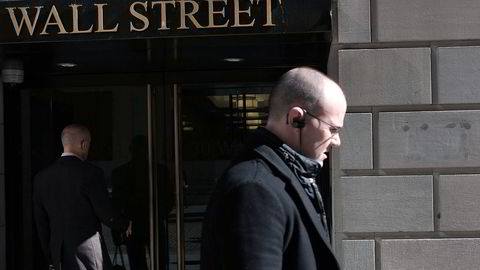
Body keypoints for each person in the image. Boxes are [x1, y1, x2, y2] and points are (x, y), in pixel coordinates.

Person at [201, 67, 347, 270]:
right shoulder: (255, 188)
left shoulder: (280, 177)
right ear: (296, 119)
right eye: (332, 129)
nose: (336, 141)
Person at [33, 124, 132, 270]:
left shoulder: (41, 178)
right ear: (83, 144)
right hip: (88, 251)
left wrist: (50, 256)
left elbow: (41, 223)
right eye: (89, 144)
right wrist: (124, 225)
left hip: (58, 252)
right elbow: (105, 212)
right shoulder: (91, 173)